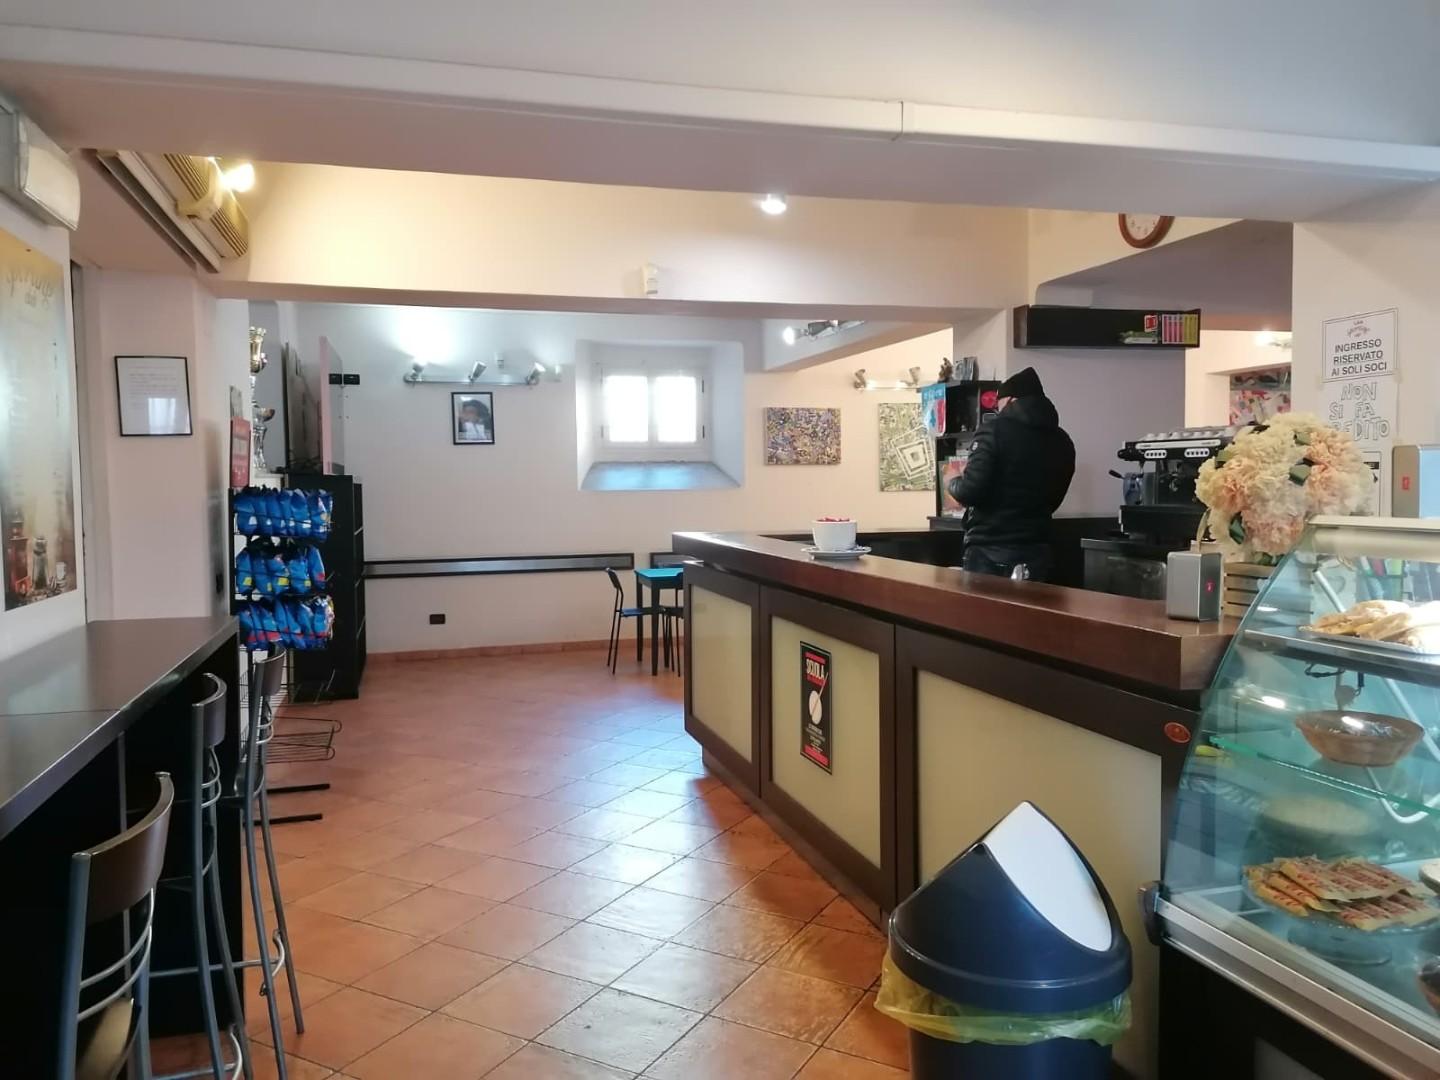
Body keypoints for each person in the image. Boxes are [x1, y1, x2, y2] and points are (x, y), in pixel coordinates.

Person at [947, 366, 1075, 582]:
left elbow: (969, 491)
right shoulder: (1062, 440)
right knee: (1031, 605)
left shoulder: (994, 431)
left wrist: (952, 480)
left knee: (983, 605)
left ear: (1009, 400)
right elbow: (1054, 499)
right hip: (1038, 549)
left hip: (989, 548)